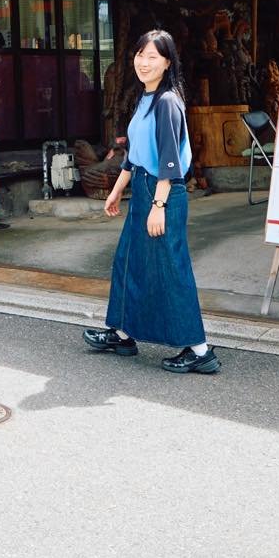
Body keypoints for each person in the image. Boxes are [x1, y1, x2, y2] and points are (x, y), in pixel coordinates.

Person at [83, 30, 219, 374]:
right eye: (140, 55)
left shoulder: (167, 102)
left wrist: (158, 206)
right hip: (143, 188)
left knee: (171, 270)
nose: (143, 63)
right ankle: (124, 333)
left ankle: (200, 350)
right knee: (129, 260)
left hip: (163, 193)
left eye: (153, 57)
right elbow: (136, 154)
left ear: (167, 63)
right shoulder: (146, 98)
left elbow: (170, 163)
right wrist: (117, 188)